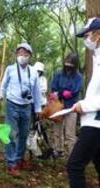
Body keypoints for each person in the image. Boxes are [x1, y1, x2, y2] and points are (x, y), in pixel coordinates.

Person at [0, 43, 42, 176]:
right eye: (20, 53)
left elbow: (37, 91)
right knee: (11, 134)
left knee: (23, 134)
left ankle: (19, 159)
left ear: (30, 56)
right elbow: (4, 85)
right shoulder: (10, 69)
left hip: (27, 106)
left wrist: (38, 108)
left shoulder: (33, 71)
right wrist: (1, 96)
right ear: (16, 55)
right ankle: (11, 163)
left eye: (25, 54)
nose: (22, 56)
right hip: (12, 105)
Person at [66, 17, 100, 188]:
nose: (86, 40)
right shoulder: (97, 57)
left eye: (87, 35)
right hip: (92, 120)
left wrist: (85, 106)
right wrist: (81, 103)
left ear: (98, 34)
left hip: (96, 123)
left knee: (74, 166)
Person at [50, 53, 83, 157]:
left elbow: (75, 90)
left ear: (75, 64)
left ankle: (72, 154)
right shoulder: (59, 74)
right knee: (57, 130)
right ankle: (58, 150)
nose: (68, 64)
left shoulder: (78, 76)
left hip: (72, 107)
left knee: (70, 133)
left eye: (71, 63)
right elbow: (54, 87)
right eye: (67, 62)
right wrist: (58, 93)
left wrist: (67, 93)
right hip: (58, 106)